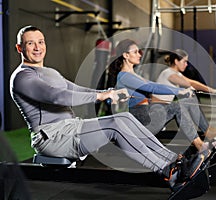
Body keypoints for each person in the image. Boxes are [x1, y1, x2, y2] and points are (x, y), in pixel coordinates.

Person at [9, 25, 205, 191]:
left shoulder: (50, 71)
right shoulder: (22, 77)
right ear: (20, 47)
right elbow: (57, 96)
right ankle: (170, 173)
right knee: (115, 125)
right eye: (30, 43)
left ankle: (176, 162)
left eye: (40, 42)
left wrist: (109, 91)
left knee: (125, 119)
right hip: (53, 138)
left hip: (71, 128)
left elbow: (75, 88)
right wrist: (100, 96)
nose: (37, 47)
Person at [108, 39, 216, 158]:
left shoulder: (132, 75)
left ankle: (206, 136)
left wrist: (182, 92)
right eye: (135, 52)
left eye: (139, 51)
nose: (139, 54)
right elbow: (151, 87)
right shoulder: (124, 76)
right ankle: (200, 145)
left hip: (149, 116)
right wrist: (179, 91)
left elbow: (155, 85)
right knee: (179, 106)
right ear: (126, 55)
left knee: (187, 102)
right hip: (143, 124)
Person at [152, 49, 216, 140]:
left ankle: (207, 130)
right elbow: (191, 83)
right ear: (176, 61)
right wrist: (213, 91)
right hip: (158, 113)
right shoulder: (169, 73)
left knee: (190, 100)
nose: (186, 64)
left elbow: (190, 82)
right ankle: (207, 131)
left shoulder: (175, 73)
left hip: (166, 110)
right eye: (184, 61)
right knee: (190, 101)